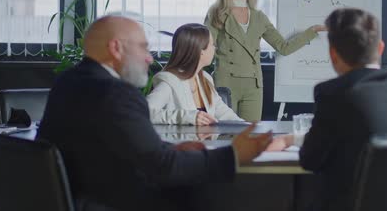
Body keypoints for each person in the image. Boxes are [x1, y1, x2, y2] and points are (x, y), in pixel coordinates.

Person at [37, 16, 272, 211]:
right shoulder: (116, 94)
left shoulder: (67, 82)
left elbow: (108, 145)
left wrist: (169, 149)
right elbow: (165, 168)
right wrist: (234, 154)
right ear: (116, 48)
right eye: (143, 47)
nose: (149, 58)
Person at [267, 8, 387, 211]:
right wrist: (292, 139)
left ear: (333, 54)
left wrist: (289, 141)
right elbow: (360, 135)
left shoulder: (334, 94)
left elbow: (310, 159)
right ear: (381, 48)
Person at [205, 0, 326, 121]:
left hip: (254, 86)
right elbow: (204, 47)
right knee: (225, 134)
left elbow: (284, 47)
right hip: (225, 82)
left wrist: (313, 31)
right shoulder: (216, 12)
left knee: (250, 136)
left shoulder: (259, 17)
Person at [147, 23, 243, 125]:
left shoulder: (205, 78)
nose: (215, 48)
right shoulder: (169, 81)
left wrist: (248, 128)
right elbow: (144, 112)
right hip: (179, 141)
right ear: (201, 51)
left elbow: (223, 113)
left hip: (206, 141)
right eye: (213, 45)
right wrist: (186, 117)